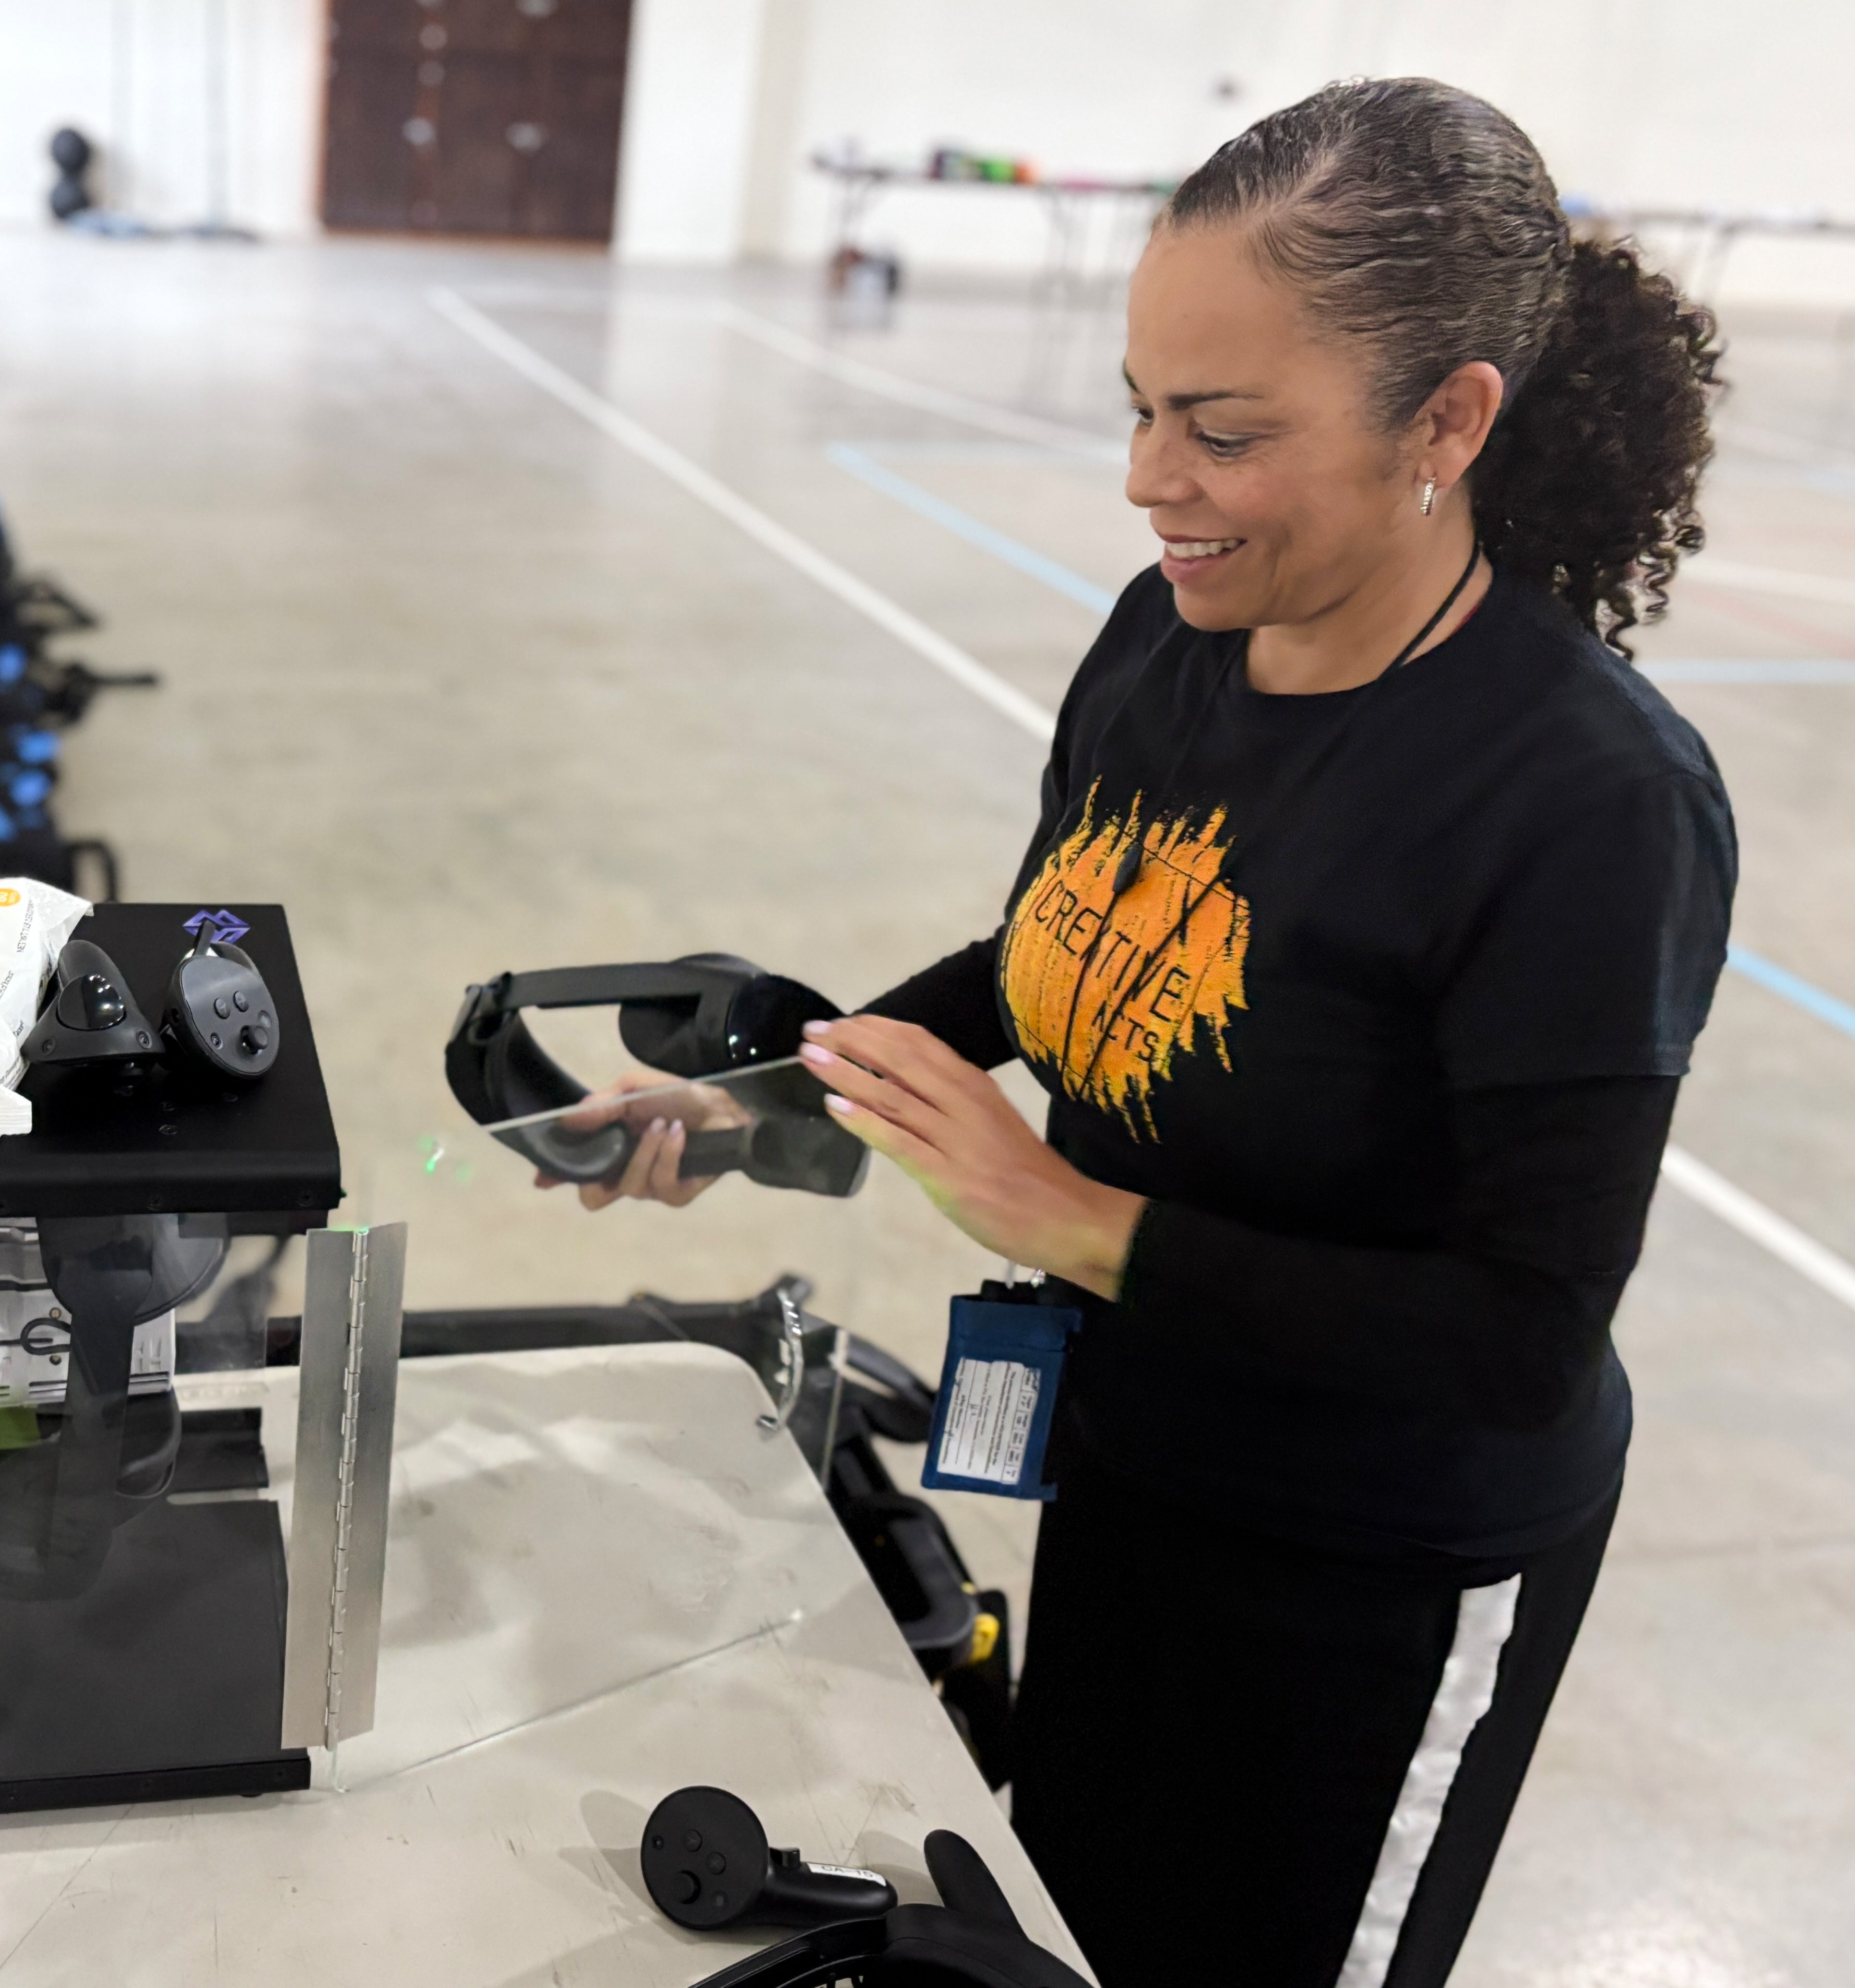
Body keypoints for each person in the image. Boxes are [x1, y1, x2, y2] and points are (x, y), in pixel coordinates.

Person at [549, 79, 1733, 1988]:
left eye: (1225, 432)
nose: (1148, 480)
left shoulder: (1590, 805)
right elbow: (1057, 954)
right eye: (1140, 407)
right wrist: (772, 1098)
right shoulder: (1170, 635)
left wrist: (1068, 1218)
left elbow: (1519, 1339)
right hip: (1137, 1455)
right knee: (1076, 1927)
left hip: (1376, 1568)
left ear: (1446, 424)